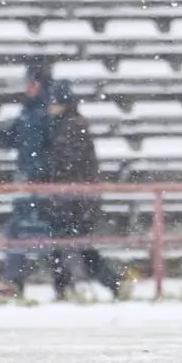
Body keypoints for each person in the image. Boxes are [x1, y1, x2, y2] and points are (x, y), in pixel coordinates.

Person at [43, 80, 134, 301]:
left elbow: (70, 163)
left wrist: (51, 176)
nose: (50, 106)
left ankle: (108, 282)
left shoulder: (70, 126)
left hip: (74, 200)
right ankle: (73, 286)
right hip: (74, 198)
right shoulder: (69, 124)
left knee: (71, 247)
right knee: (69, 246)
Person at [0, 61, 54, 296]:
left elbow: (37, 143)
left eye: (32, 83)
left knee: (34, 229)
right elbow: (15, 138)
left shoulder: (42, 112)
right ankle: (15, 279)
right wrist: (3, 135)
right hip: (29, 176)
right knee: (21, 228)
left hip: (38, 179)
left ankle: (21, 279)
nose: (28, 87)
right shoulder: (30, 110)